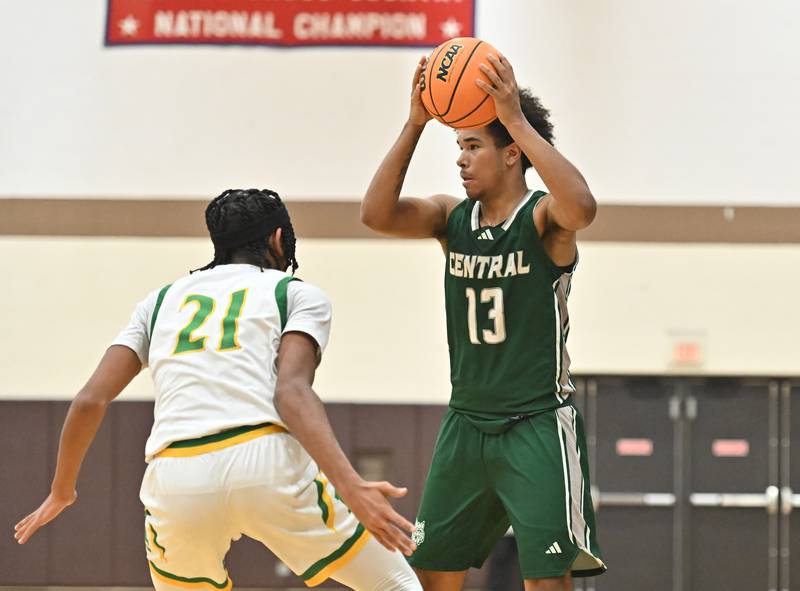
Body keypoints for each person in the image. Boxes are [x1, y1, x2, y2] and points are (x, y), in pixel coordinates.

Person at [14, 188, 422, 591]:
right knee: (396, 583)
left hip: (175, 473)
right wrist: (352, 486)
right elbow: (292, 392)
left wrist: (61, 490)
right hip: (263, 460)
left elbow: (90, 400)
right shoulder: (294, 293)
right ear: (279, 238)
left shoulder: (159, 302)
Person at [361, 54, 607, 591]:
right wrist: (414, 123)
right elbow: (376, 214)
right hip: (466, 424)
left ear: (512, 154)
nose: (461, 161)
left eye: (473, 147)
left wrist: (515, 117)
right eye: (459, 148)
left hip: (537, 423)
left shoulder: (543, 219)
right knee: (430, 574)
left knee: (546, 580)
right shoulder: (452, 219)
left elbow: (583, 207)